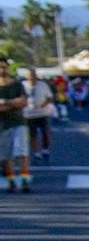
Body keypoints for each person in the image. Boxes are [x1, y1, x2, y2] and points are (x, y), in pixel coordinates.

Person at [0, 62, 29, 192]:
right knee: (6, 155)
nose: (2, 69)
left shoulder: (17, 84)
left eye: (4, 67)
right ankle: (11, 181)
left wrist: (5, 102)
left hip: (18, 122)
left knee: (21, 151)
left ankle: (24, 180)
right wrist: (13, 103)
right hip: (2, 125)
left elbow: (23, 102)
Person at [22, 69, 55, 162]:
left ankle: (45, 150)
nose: (32, 77)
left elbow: (50, 97)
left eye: (33, 75)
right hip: (28, 114)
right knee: (32, 135)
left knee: (46, 132)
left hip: (42, 113)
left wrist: (44, 103)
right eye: (30, 75)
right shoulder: (22, 85)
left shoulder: (43, 85)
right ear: (27, 76)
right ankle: (37, 153)